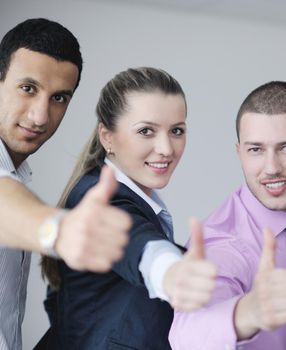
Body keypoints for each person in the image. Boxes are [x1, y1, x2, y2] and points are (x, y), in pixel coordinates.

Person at [39, 67, 217, 349]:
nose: (166, 148)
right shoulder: (100, 199)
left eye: (176, 131)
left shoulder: (106, 190)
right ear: (107, 137)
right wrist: (168, 269)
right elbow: (131, 240)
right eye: (146, 131)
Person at [0, 18, 131, 350]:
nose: (40, 116)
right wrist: (58, 230)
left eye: (59, 98)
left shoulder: (19, 174)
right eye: (28, 88)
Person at [170, 81, 286, 349]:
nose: (271, 168)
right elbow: (185, 334)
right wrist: (247, 313)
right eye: (256, 149)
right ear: (240, 153)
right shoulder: (221, 244)